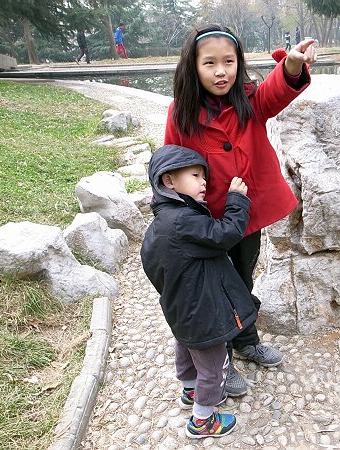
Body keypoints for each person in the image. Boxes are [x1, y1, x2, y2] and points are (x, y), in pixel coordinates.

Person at [164, 24, 317, 396]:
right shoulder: (181, 112)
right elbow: (170, 163)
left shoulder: (249, 99)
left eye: (229, 62)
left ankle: (246, 339)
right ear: (193, 67)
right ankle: (223, 356)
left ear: (239, 63)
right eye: (210, 63)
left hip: (244, 216)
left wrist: (293, 66)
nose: (221, 71)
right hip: (207, 221)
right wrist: (177, 211)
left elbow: (277, 92)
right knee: (216, 288)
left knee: (243, 277)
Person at [140, 144, 258, 438]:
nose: (204, 182)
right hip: (204, 314)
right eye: (195, 175)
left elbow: (150, 264)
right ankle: (202, 420)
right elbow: (225, 234)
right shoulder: (183, 220)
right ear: (169, 181)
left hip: (182, 311)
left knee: (187, 350)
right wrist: (236, 201)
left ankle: (189, 392)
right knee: (214, 367)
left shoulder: (163, 221)